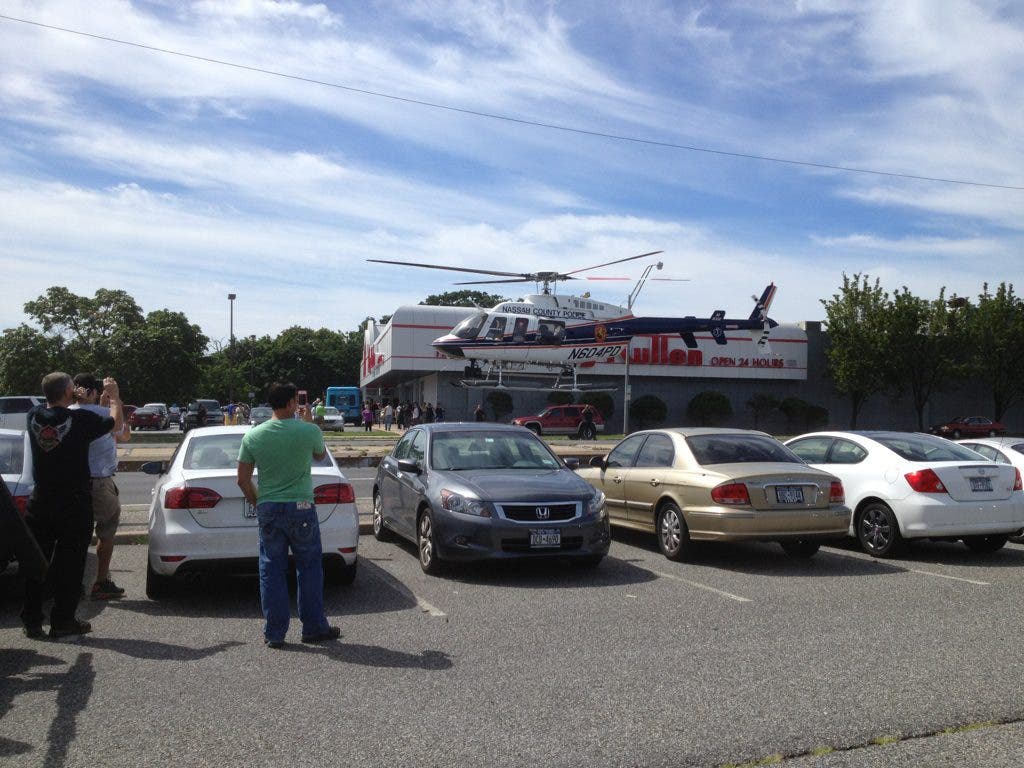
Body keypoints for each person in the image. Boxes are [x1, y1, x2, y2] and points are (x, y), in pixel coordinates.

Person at [236, 382, 339, 649]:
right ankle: (314, 627)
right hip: (302, 507)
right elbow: (319, 456)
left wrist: (260, 503)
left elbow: (243, 480)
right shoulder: (309, 431)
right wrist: (308, 422)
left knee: (271, 569)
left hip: (269, 506)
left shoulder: (253, 436)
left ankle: (275, 633)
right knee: (309, 568)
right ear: (293, 403)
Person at [21, 372, 124, 639]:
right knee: (71, 564)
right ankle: (62, 621)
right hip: (72, 501)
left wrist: (68, 396)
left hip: (40, 499)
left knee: (36, 563)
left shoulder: (33, 416)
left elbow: (53, 407)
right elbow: (115, 424)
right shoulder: (79, 419)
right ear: (69, 392)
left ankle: (32, 620)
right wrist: (113, 396)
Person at [70, 373, 131, 600]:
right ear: (93, 392)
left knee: (75, 535)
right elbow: (123, 433)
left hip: (72, 482)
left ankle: (71, 583)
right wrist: (115, 400)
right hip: (99, 481)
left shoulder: (66, 413)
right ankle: (101, 582)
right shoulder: (102, 414)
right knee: (106, 530)